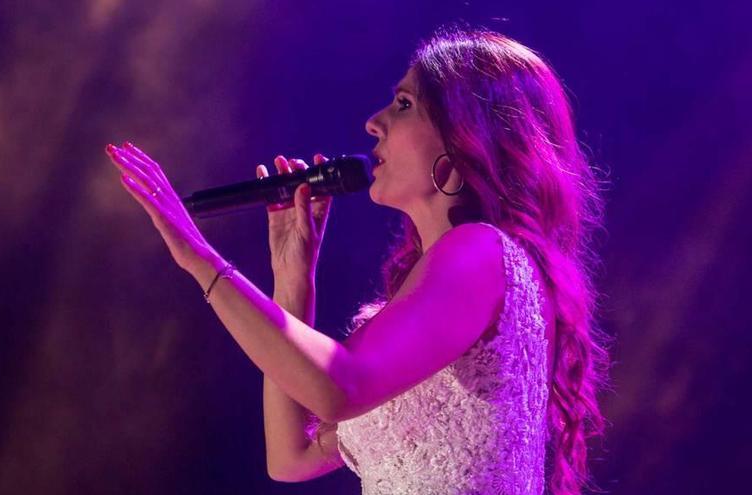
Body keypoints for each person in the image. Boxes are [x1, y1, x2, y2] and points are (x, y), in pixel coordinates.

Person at [104, 24, 611, 495]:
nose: (374, 123)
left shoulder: (480, 252)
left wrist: (199, 258)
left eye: (404, 104)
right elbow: (290, 457)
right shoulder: (457, 276)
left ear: (463, 137)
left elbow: (339, 386)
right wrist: (292, 281)